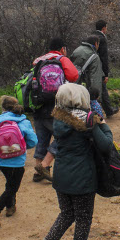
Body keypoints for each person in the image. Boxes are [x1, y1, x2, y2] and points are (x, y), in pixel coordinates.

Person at [32, 84, 113, 240]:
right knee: (83, 217)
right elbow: (106, 146)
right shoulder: (87, 121)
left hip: (62, 175)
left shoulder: (59, 119)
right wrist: (104, 126)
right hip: (82, 177)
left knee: (67, 213)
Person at [31, 38, 80, 183]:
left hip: (38, 105)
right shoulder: (62, 59)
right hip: (55, 105)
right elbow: (74, 76)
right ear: (62, 49)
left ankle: (38, 170)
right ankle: (45, 165)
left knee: (42, 139)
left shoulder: (38, 60)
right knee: (63, 135)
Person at [0, 96, 38, 227]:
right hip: (17, 161)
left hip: (1, 160)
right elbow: (33, 141)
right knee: (13, 186)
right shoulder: (23, 121)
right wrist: (22, 147)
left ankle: (10, 207)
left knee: (10, 182)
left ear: (2, 108)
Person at [92, 20, 118, 117]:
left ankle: (105, 109)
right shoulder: (102, 39)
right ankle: (108, 110)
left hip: (90, 67)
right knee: (103, 89)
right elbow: (104, 57)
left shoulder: (91, 36)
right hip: (99, 67)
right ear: (103, 28)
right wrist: (106, 74)